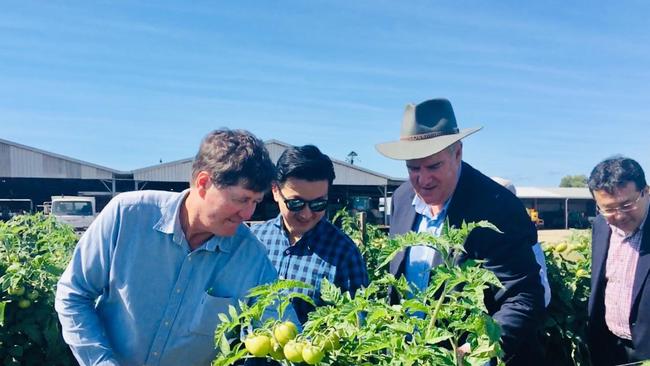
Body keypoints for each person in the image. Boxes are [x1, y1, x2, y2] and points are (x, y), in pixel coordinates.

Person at [55, 129, 294, 366]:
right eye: (242, 199)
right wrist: (100, 362)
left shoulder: (250, 256)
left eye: (255, 202)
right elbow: (74, 294)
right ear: (203, 183)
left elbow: (282, 325)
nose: (248, 213)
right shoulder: (127, 216)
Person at [375, 98, 545, 365]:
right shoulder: (401, 199)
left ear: (457, 153)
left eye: (433, 166)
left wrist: (477, 352)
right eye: (413, 168)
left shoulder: (497, 207)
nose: (423, 179)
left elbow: (523, 297)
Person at [251, 145, 369, 324]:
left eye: (318, 204)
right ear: (275, 190)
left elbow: (359, 322)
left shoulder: (344, 253)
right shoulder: (255, 240)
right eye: (296, 203)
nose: (306, 214)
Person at [587, 156, 650, 365]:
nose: (619, 216)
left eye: (627, 204)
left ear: (646, 192)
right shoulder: (601, 225)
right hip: (608, 347)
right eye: (608, 209)